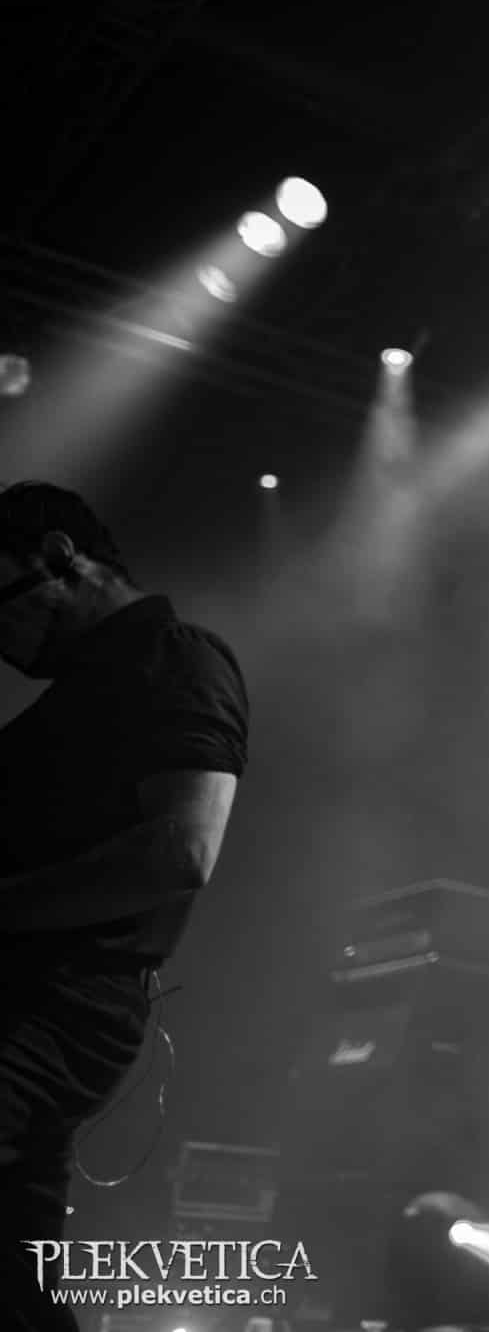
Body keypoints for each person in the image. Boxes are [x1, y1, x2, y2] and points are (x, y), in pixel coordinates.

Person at [0, 482, 249, 1329]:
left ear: (57, 558)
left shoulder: (177, 658)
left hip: (58, 1005)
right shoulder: (75, 695)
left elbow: (182, 851)